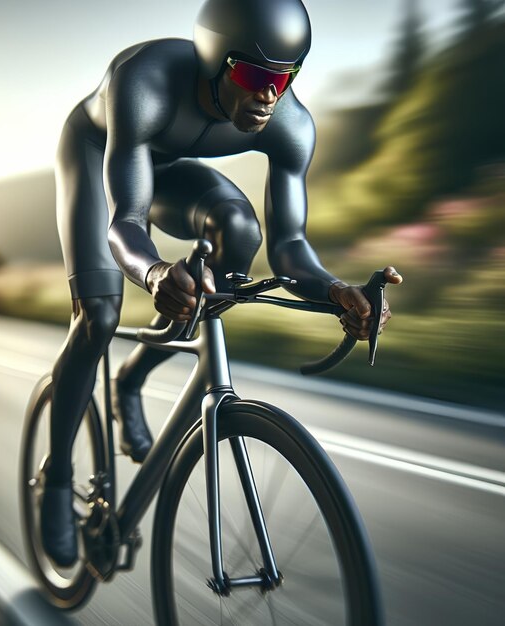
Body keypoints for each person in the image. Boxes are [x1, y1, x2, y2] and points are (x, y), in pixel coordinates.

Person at [41, 0, 403, 567]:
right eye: (256, 76)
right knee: (101, 318)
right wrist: (156, 271)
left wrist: (338, 291)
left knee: (239, 233)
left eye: (284, 79)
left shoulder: (290, 123)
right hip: (98, 158)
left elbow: (290, 250)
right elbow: (126, 223)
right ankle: (58, 479)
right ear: (216, 61)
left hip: (171, 168)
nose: (268, 96)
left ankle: (132, 379)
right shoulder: (143, 82)